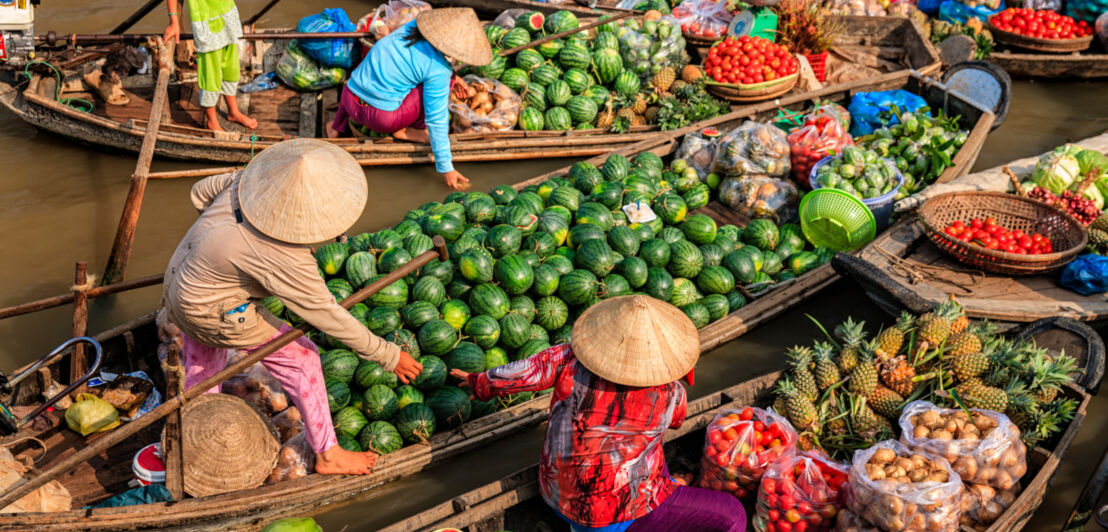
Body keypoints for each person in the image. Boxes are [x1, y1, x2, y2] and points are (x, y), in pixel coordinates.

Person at [162, 138, 422, 475]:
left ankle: (196, 431)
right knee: (304, 358)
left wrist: (224, 248)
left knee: (205, 359)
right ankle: (329, 454)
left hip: (180, 280)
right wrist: (388, 354)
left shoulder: (243, 182)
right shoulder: (285, 258)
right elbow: (326, 314)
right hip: (212, 311)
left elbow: (199, 192)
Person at [450, 296, 748, 532]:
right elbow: (676, 423)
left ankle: (671, 488)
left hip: (555, 493)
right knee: (733, 515)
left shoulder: (567, 356)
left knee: (652, 457)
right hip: (613, 517)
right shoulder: (672, 394)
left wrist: (479, 382)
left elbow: (523, 373)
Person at [326, 8, 492, 191]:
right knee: (439, 87)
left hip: (349, 96)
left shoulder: (409, 28)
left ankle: (335, 128)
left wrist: (452, 75)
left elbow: (411, 60)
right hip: (381, 119)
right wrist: (447, 168)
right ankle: (410, 131)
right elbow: (436, 120)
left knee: (370, 77)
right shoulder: (439, 70)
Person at [163, 0, 257, 132]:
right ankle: (212, 122)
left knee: (231, 69)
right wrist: (174, 21)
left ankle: (234, 112)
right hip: (206, 25)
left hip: (227, 16)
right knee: (210, 76)